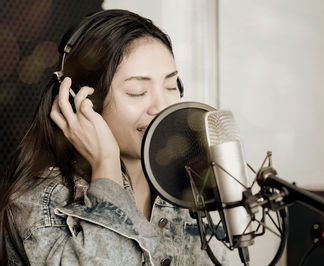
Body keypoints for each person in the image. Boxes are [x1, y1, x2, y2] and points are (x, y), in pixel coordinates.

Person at [0, 9, 227, 265]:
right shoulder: (41, 202)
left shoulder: (190, 184)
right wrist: (106, 165)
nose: (162, 106)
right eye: (137, 91)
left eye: (171, 86)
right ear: (84, 103)